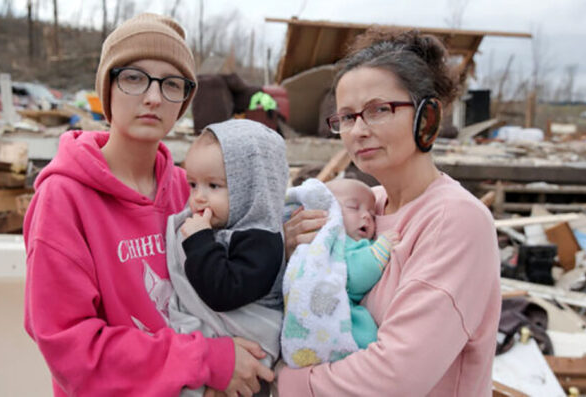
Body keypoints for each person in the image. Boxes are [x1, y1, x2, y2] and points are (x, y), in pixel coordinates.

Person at [23, 13, 273, 396]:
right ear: (107, 87)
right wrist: (207, 359)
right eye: (134, 78)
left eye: (172, 84)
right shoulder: (64, 198)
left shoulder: (186, 188)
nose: (154, 97)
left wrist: (283, 237)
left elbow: (230, 261)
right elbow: (70, 348)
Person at [278, 28, 500, 396]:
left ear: (428, 117)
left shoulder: (455, 221)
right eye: (346, 117)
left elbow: (396, 376)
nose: (358, 131)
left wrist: (282, 381)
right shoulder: (362, 205)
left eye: (379, 110)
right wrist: (289, 253)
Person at [166, 119, 289, 396]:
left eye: (214, 185)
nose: (198, 198)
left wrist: (198, 240)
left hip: (249, 361)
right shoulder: (222, 228)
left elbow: (222, 292)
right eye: (193, 184)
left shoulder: (263, 240)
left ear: (252, 189)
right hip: (219, 355)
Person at [281, 178, 394, 368]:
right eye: (353, 207)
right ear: (328, 210)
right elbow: (354, 276)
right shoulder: (334, 243)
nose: (366, 216)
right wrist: (379, 250)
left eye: (373, 215)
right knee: (363, 334)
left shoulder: (338, 244)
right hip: (338, 318)